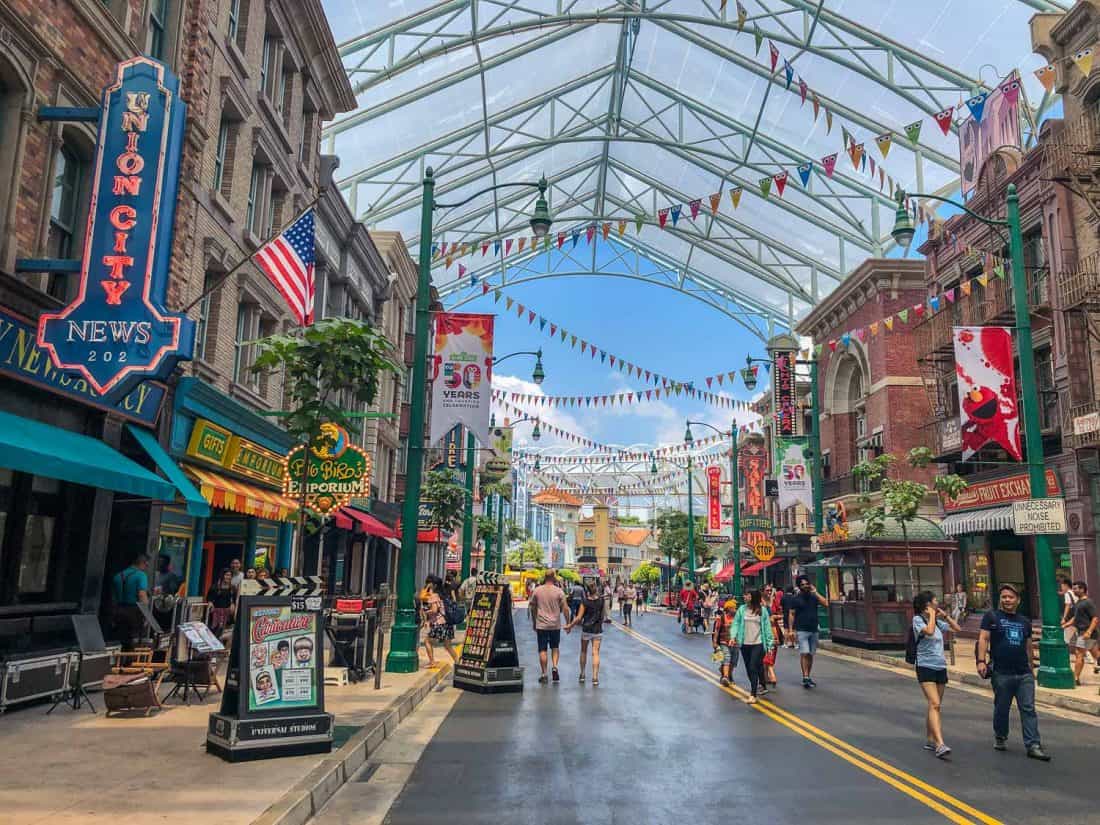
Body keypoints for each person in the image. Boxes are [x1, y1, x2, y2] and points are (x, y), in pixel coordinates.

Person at [977, 584, 1050, 760]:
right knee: (1002, 707)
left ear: (1018, 600)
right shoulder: (991, 617)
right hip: (1001, 672)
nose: (1007, 600)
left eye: (1010, 597)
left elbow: (1028, 646)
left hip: (1023, 673)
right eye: (1004, 597)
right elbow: (984, 638)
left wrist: (1031, 670)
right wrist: (981, 661)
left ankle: (1033, 744)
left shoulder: (1024, 621)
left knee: (1028, 708)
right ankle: (1000, 736)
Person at [912, 590, 961, 760]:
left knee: (935, 705)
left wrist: (945, 616)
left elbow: (957, 628)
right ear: (927, 605)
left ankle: (930, 739)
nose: (937, 603)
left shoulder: (938, 622)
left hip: (940, 666)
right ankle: (940, 744)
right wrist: (932, 616)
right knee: (934, 703)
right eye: (934, 602)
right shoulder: (917, 620)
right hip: (925, 666)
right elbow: (929, 631)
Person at [731, 588, 775, 703]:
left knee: (752, 667)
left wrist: (770, 644)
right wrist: (733, 637)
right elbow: (735, 624)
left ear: (753, 597)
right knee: (751, 668)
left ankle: (753, 694)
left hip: (758, 643)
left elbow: (767, 628)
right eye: (744, 595)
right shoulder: (741, 609)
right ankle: (761, 683)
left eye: (747, 595)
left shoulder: (763, 611)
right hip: (744, 643)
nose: (744, 597)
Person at [529, 570, 572, 684]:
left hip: (541, 625)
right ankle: (555, 667)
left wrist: (534, 621)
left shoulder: (537, 590)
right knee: (555, 647)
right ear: (553, 577)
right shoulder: (559, 591)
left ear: (545, 577)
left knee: (542, 650)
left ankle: (544, 674)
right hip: (555, 625)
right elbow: (566, 608)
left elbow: (532, 607)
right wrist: (568, 623)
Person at [788, 575, 828, 688]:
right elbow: (791, 614)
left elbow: (826, 603)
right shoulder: (795, 599)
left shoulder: (814, 596)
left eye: (806, 584)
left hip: (813, 629)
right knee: (804, 653)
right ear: (799, 586)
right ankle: (805, 677)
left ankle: (808, 676)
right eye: (802, 584)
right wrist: (791, 630)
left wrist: (816, 592)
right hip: (802, 630)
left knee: (810, 654)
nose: (805, 586)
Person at [565, 581, 605, 685]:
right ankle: (595, 677)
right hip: (597, 630)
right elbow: (603, 615)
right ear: (596, 589)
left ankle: (582, 674)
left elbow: (578, 618)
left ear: (587, 590)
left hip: (586, 629)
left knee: (583, 652)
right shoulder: (601, 600)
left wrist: (570, 626)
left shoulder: (585, 602)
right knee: (595, 653)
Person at [1061, 581, 1098, 686]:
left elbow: (1095, 619)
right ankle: (1076, 678)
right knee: (1095, 655)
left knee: (1079, 654)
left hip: (1086, 632)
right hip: (1082, 632)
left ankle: (1075, 678)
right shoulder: (1078, 603)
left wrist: (1088, 632)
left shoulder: (1088, 602)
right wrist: (1066, 625)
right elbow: (1075, 617)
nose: (1073, 590)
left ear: (1082, 589)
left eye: (1076, 588)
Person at [111, 553, 150, 650]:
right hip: (134, 612)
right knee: (134, 641)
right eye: (146, 564)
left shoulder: (117, 576)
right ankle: (130, 662)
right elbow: (142, 595)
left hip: (119, 610)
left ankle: (119, 662)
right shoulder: (141, 575)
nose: (147, 566)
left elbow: (113, 599)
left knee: (121, 640)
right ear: (142, 563)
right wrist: (146, 614)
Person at [422, 575, 459, 666]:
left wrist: (426, 612)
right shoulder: (443, 594)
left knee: (427, 641)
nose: (427, 586)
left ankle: (432, 662)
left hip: (439, 624)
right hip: (447, 623)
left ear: (434, 585)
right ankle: (458, 661)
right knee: (448, 646)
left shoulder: (434, 595)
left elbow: (434, 610)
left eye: (428, 584)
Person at [712, 599, 738, 687]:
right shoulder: (721, 618)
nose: (735, 609)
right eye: (734, 608)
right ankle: (725, 677)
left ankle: (728, 674)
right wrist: (715, 643)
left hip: (736, 643)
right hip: (724, 642)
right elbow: (716, 631)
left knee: (733, 661)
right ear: (729, 608)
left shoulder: (738, 618)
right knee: (727, 658)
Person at [205, 568, 236, 637]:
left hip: (227, 613)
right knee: (213, 631)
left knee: (224, 632)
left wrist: (233, 604)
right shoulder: (215, 587)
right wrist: (210, 602)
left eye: (230, 575)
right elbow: (209, 598)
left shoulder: (232, 588)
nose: (228, 577)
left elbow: (234, 599)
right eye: (226, 575)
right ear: (222, 576)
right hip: (215, 613)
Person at [1058, 576, 1078, 647]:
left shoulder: (1067, 594)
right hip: (1078, 618)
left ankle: (1064, 655)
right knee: (1081, 641)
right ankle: (1089, 657)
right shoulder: (1074, 592)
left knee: (1065, 640)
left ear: (1066, 585)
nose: (1061, 588)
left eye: (1062, 586)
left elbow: (1067, 606)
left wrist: (1064, 618)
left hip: (1071, 620)